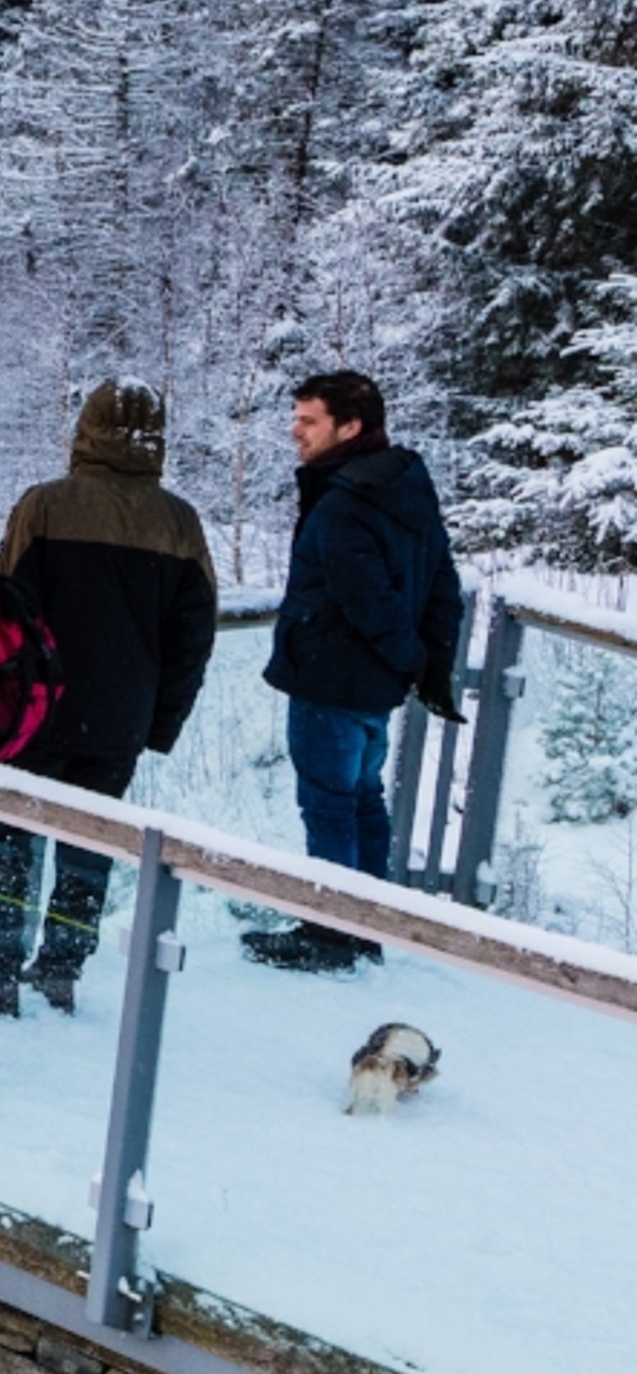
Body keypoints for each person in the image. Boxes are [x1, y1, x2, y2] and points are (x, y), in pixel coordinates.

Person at [0, 382, 217, 1018]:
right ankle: (59, 969)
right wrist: (158, 723)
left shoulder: (46, 506)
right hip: (121, 720)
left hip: (36, 709)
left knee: (4, 832)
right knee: (89, 842)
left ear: (85, 429)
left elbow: (3, 608)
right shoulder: (180, 522)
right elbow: (194, 637)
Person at [256, 368, 462, 971]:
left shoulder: (346, 503)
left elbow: (364, 597)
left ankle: (328, 933)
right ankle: (363, 926)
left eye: (308, 420)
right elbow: (441, 585)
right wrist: (422, 665)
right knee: (363, 799)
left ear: (350, 427)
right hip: (372, 685)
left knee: (329, 804)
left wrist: (412, 659)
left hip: (330, 676)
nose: (295, 431)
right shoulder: (404, 484)